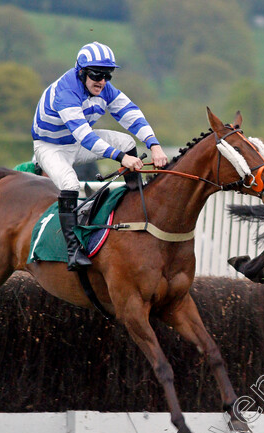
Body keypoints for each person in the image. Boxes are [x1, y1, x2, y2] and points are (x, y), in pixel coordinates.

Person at [32, 41, 169, 271]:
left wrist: (154, 145)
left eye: (108, 75)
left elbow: (130, 113)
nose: (102, 81)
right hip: (51, 147)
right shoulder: (66, 91)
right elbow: (85, 136)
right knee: (70, 183)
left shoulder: (104, 88)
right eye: (97, 74)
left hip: (75, 141)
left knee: (127, 142)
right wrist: (121, 158)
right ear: (82, 71)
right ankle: (73, 250)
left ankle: (138, 201)